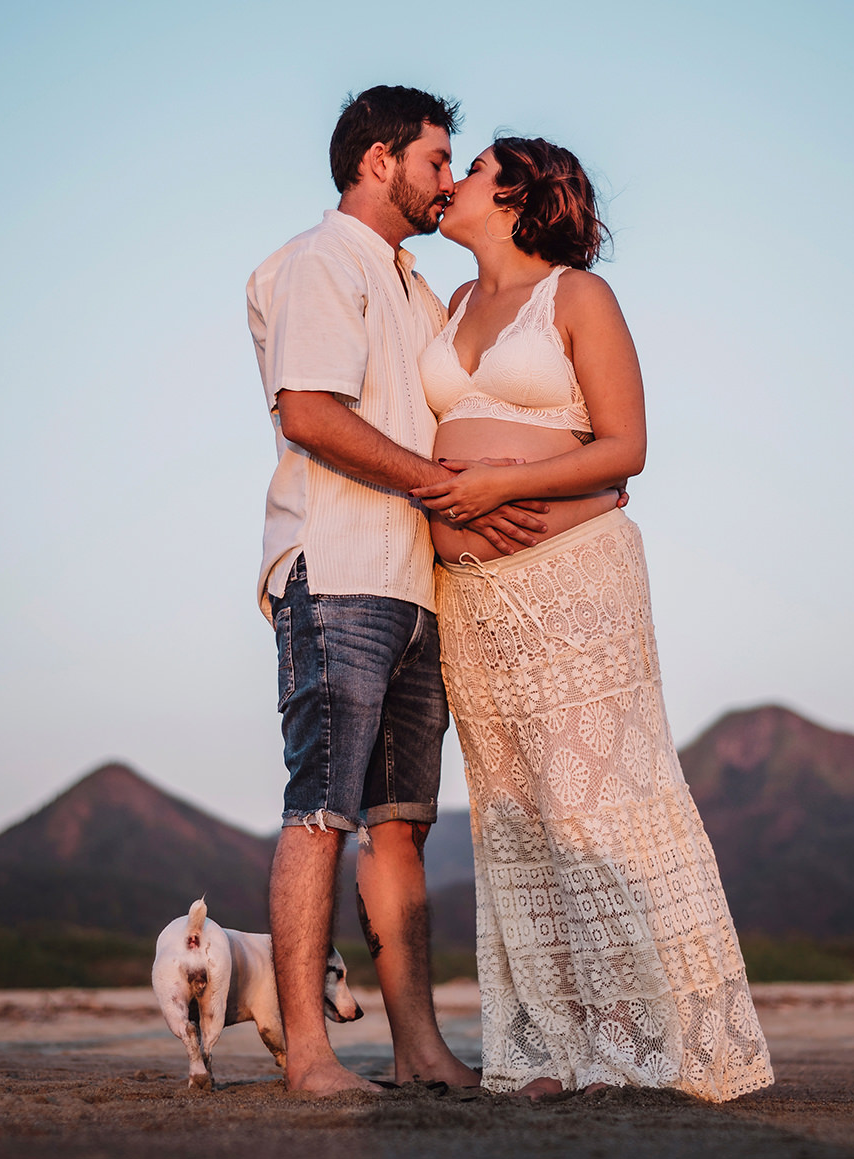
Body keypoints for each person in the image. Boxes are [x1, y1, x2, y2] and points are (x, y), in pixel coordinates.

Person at [409, 137, 775, 1101]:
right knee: (517, 818)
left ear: (520, 192)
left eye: (473, 168)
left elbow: (627, 447)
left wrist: (511, 481)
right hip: (475, 603)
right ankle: (551, 1051)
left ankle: (645, 1044)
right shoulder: (447, 306)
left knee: (594, 805)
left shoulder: (578, 297)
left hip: (573, 582)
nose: (452, 184)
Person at [245, 86, 546, 1094]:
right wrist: (437, 486)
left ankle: (419, 1051)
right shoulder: (321, 261)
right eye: (434, 159)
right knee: (320, 809)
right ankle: (313, 1054)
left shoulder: (415, 288)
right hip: (337, 570)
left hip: (416, 585)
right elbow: (308, 414)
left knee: (400, 821)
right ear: (378, 160)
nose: (446, 180)